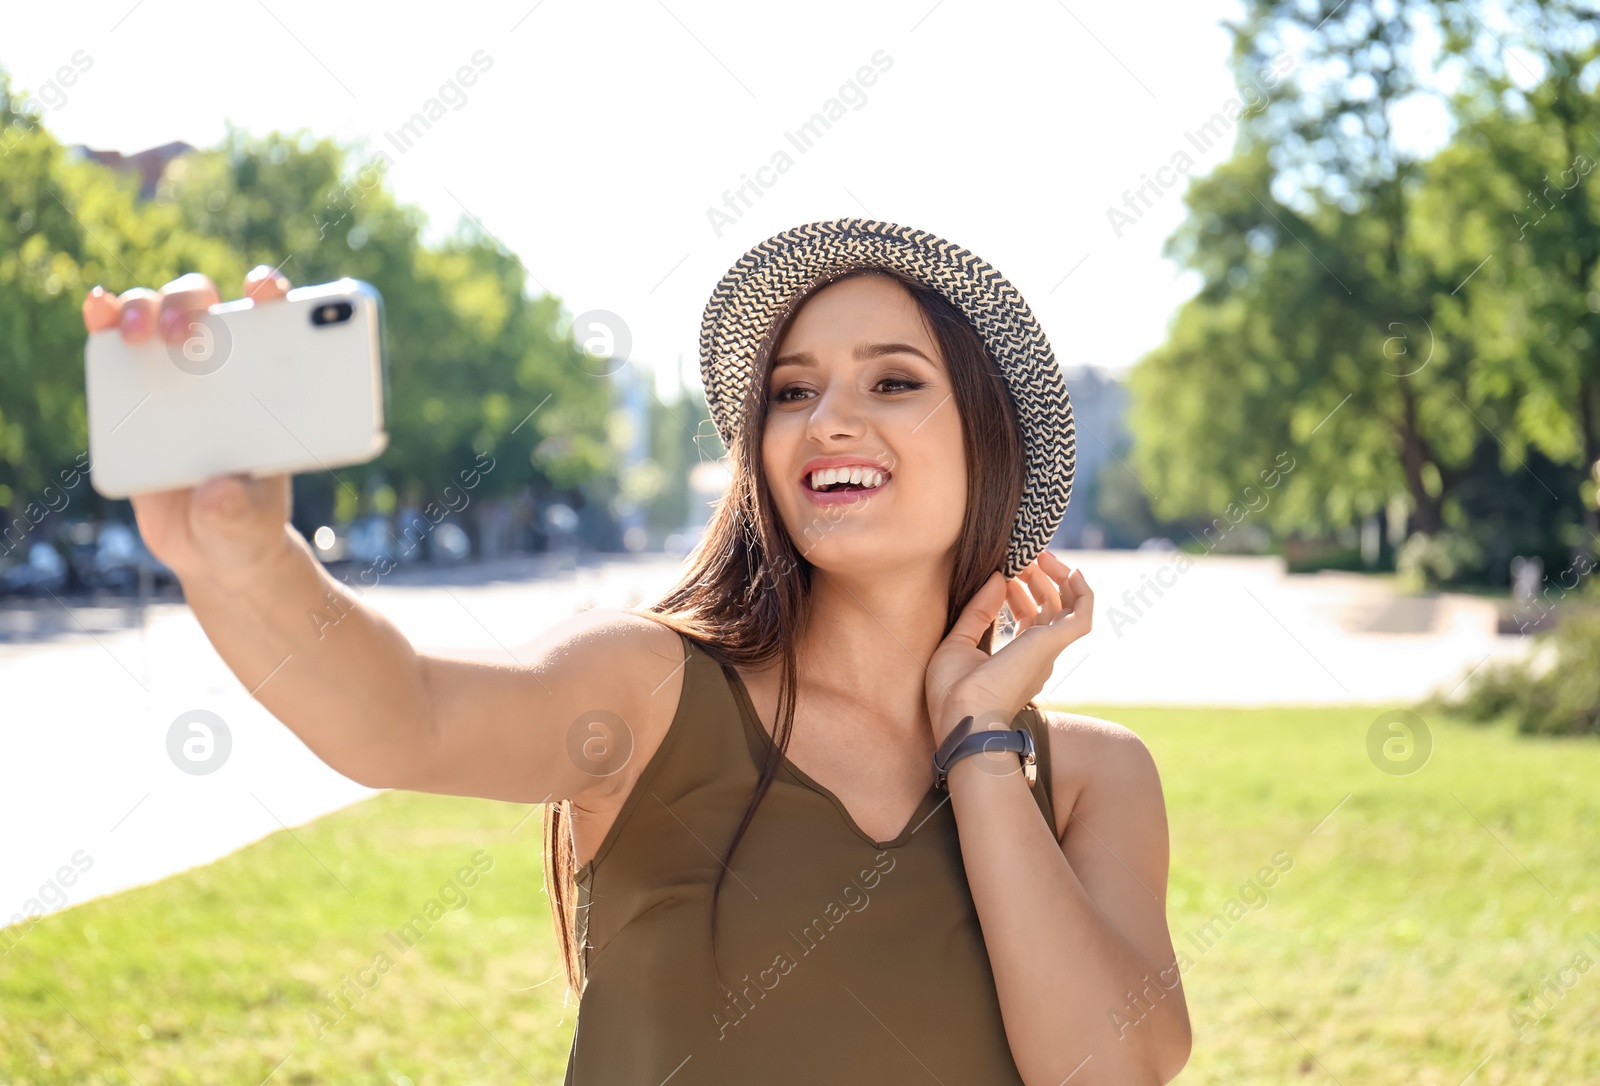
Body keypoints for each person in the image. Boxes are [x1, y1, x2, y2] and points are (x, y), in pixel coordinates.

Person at [80, 219, 1191, 1084]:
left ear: (987, 443)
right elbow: (399, 715)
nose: (827, 418)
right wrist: (237, 556)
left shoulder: (1094, 780)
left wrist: (981, 744)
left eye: (892, 381)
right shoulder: (651, 689)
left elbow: (1110, 1067)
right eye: (791, 391)